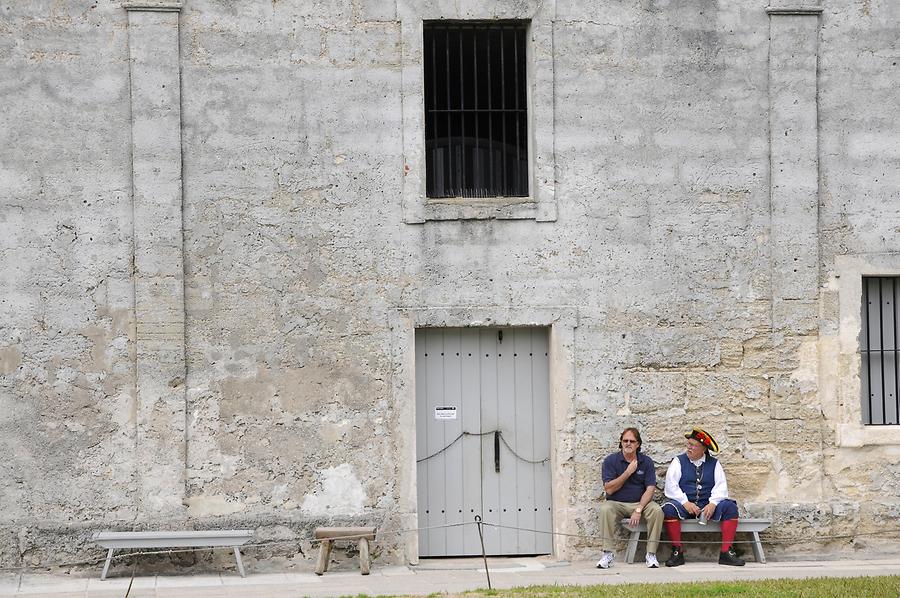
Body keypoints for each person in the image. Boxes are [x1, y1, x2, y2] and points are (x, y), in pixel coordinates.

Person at [662, 427, 745, 567]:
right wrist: (685, 502)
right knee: (668, 510)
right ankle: (677, 551)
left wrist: (712, 504)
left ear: (703, 449)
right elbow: (671, 486)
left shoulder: (714, 464)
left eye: (693, 445)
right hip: (685, 506)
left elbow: (721, 487)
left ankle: (726, 553)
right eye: (688, 444)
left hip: (707, 507)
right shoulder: (678, 461)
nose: (689, 448)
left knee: (730, 507)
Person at [596, 427, 663, 569]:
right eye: (625, 440)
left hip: (640, 503)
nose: (628, 443)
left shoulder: (646, 461)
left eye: (632, 441)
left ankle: (651, 554)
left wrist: (638, 510)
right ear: (621, 442)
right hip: (617, 503)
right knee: (605, 509)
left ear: (638, 444)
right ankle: (607, 553)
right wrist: (628, 472)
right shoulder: (611, 461)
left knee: (657, 511)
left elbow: (650, 489)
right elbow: (609, 488)